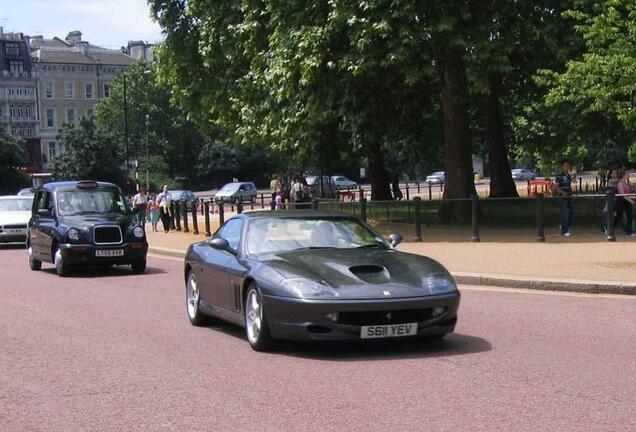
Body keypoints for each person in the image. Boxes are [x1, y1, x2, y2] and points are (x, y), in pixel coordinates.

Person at [553, 160, 575, 237]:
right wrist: (562, 193)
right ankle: (564, 231)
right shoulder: (559, 175)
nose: (567, 167)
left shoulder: (569, 175)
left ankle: (565, 226)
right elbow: (556, 186)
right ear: (562, 167)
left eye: (568, 165)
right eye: (565, 165)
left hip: (569, 196)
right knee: (565, 213)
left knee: (572, 212)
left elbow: (570, 185)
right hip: (562, 197)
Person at [616, 168, 636, 237]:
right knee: (619, 217)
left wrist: (632, 199)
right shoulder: (620, 183)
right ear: (624, 174)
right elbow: (622, 194)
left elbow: (628, 194)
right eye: (627, 174)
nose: (629, 175)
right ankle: (608, 228)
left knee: (629, 216)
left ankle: (629, 232)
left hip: (627, 202)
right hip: (622, 202)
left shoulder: (627, 183)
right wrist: (630, 200)